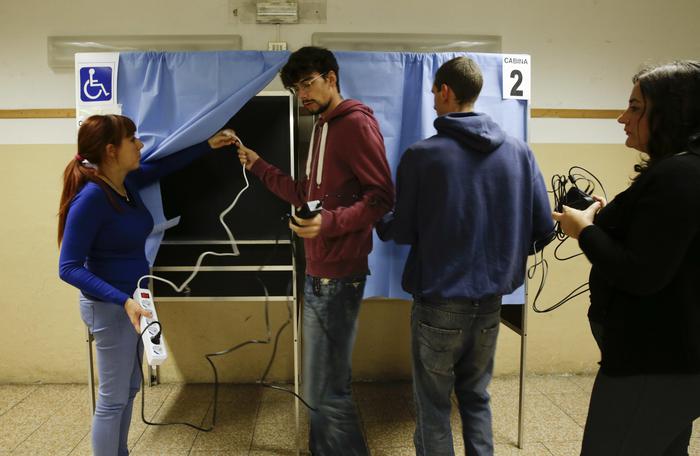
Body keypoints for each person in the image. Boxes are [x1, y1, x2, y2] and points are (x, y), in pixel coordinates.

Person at [376, 56, 554, 456]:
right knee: (476, 396)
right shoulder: (520, 152)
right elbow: (543, 228)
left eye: (433, 93)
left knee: (433, 405)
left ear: (445, 91)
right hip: (491, 304)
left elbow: (402, 230)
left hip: (438, 304)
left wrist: (379, 217)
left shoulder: (422, 155)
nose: (432, 101)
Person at [236, 46, 394, 455]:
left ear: (331, 78)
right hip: (319, 272)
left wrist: (330, 223)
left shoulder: (355, 124)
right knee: (322, 386)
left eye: (308, 83)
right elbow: (303, 193)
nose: (302, 94)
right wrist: (257, 164)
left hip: (339, 276)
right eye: (296, 88)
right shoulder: (322, 126)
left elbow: (381, 197)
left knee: (327, 390)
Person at [58, 114, 237, 456]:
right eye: (132, 140)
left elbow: (163, 167)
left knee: (128, 390)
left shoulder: (124, 184)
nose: (140, 145)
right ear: (111, 150)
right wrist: (123, 301)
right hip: (111, 307)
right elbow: (68, 268)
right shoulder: (92, 198)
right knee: (112, 399)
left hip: (135, 302)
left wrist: (208, 145)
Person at [553, 61, 700, 455]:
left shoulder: (680, 175)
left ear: (672, 112)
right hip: (666, 362)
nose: (622, 118)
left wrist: (584, 230)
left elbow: (641, 273)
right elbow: (661, 242)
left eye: (635, 108)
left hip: (652, 366)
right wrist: (604, 220)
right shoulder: (678, 169)